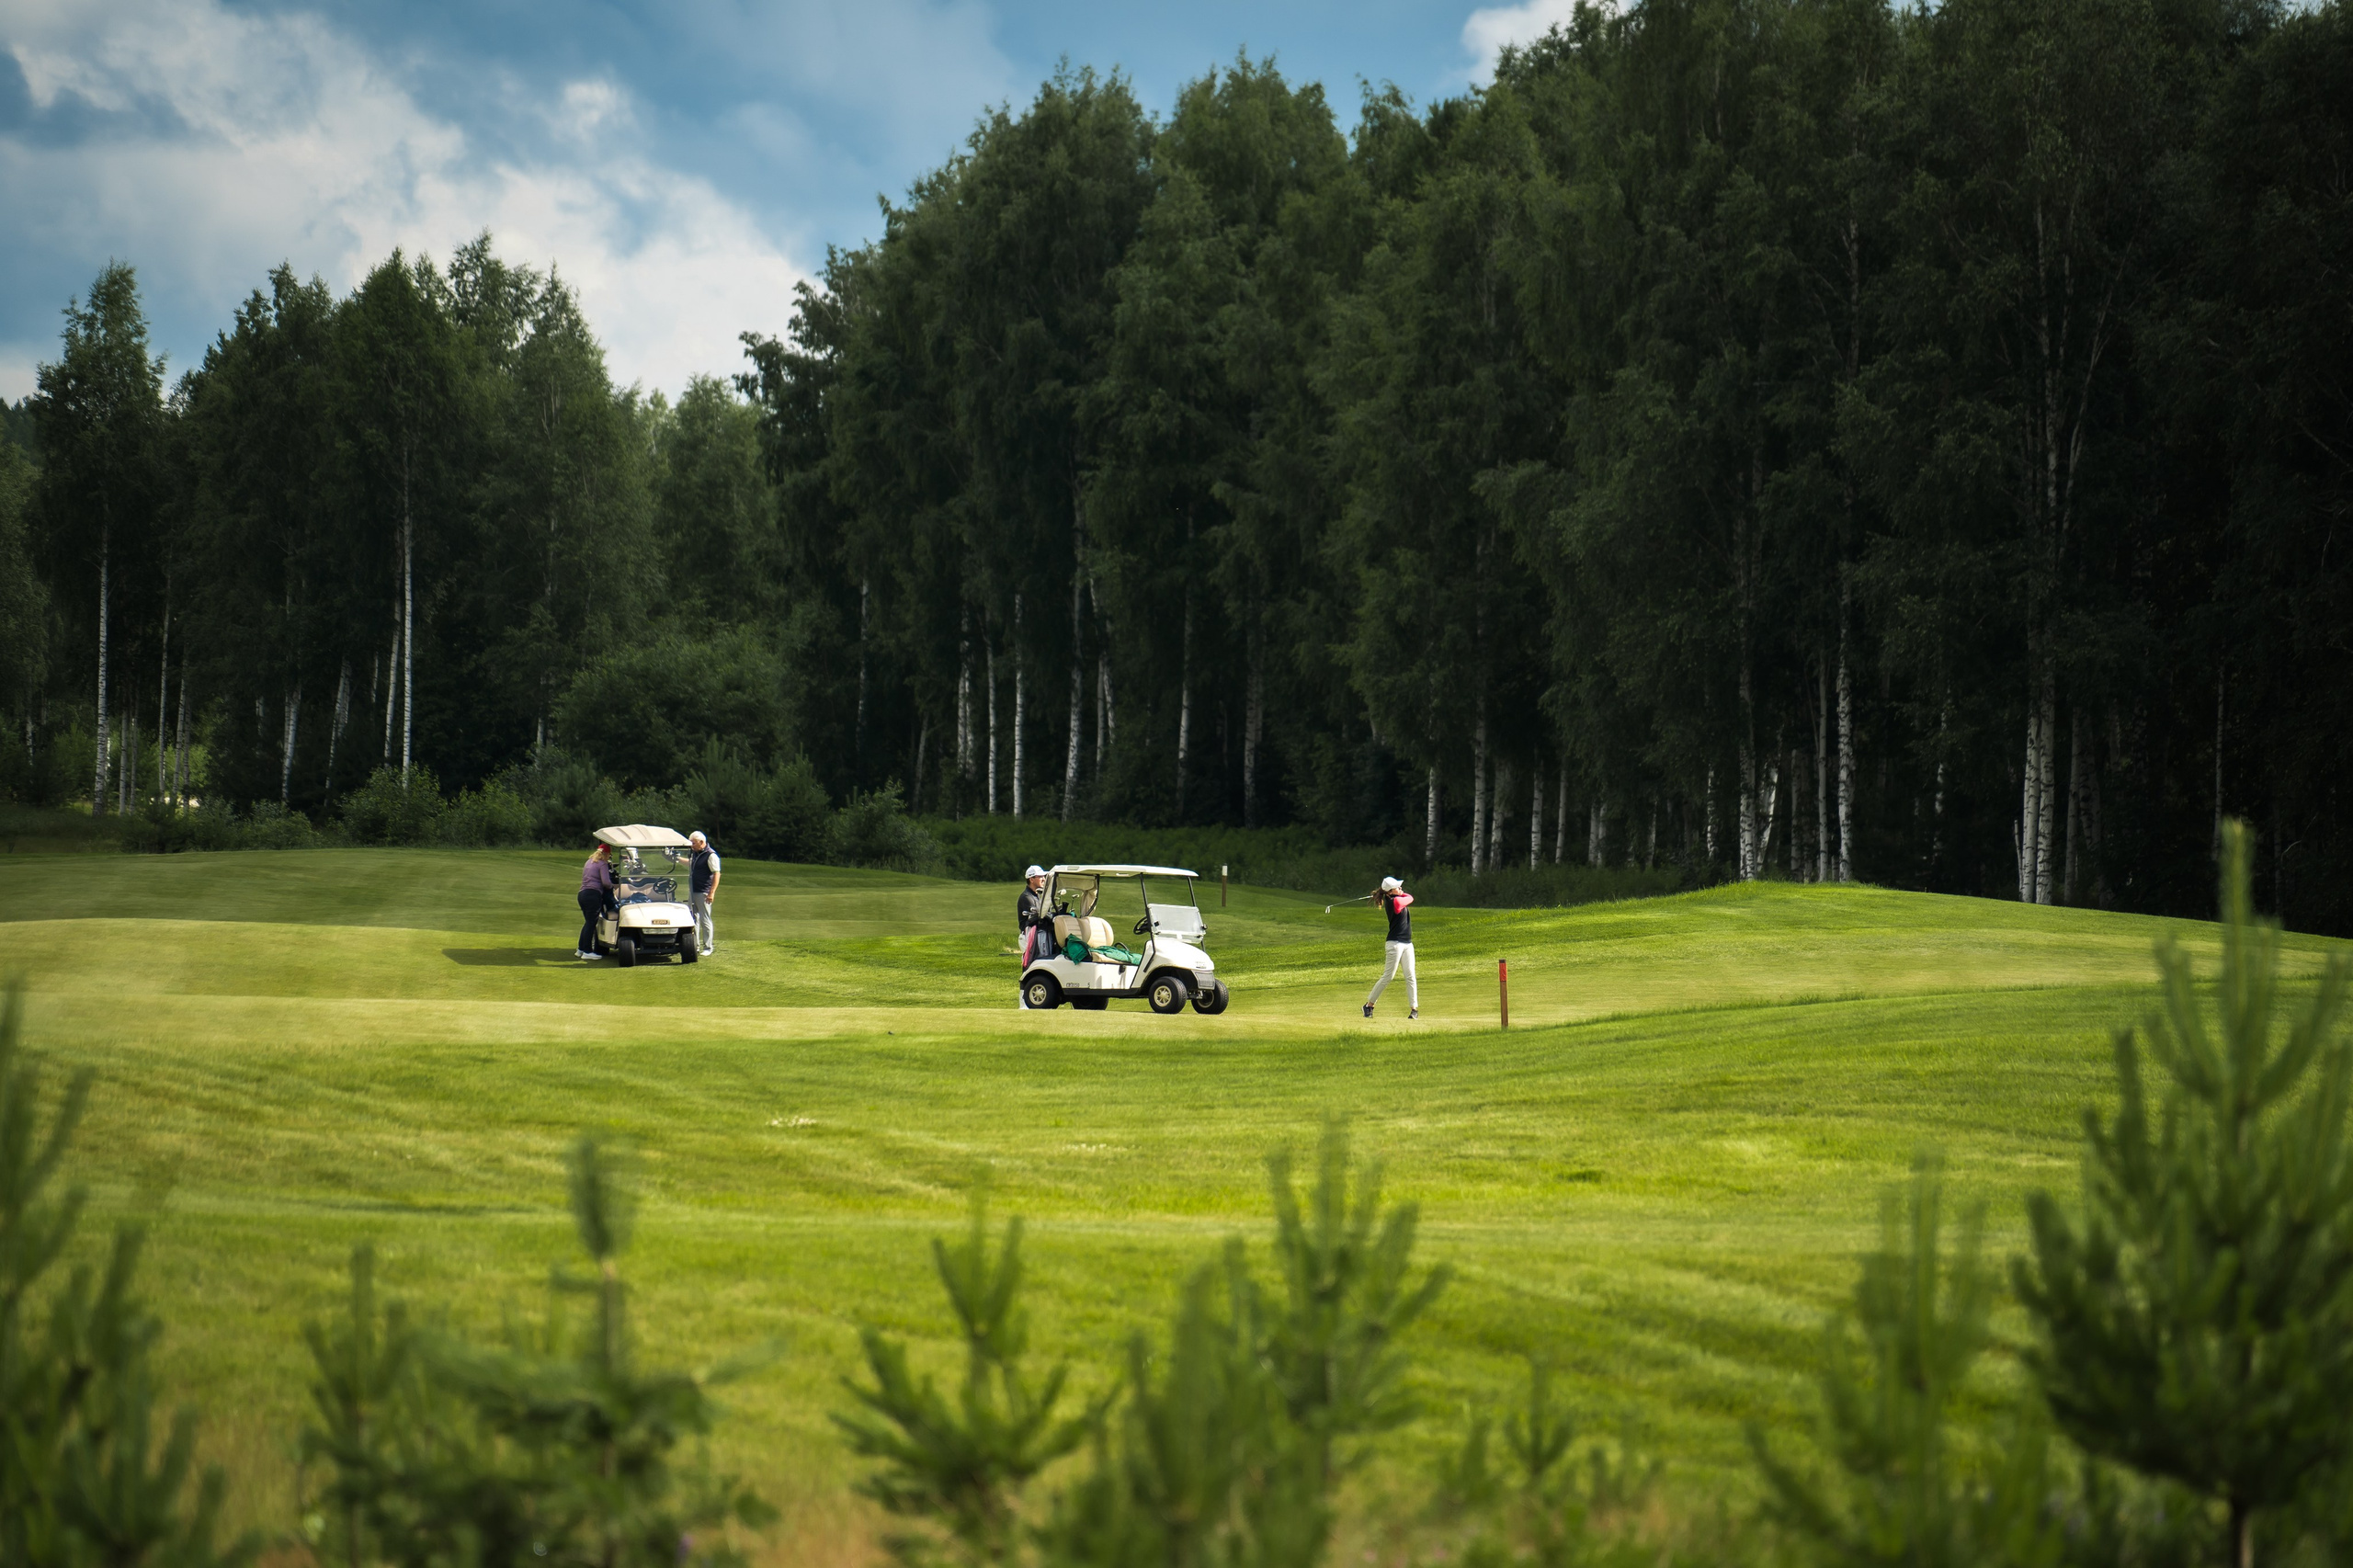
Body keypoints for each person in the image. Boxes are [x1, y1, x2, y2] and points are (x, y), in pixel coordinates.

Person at [1363, 875, 1417, 1019]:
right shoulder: (1396, 902)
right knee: (1388, 976)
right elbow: (1410, 897)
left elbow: (1405, 895)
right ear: (1390, 892)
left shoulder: (1393, 898)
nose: (1400, 888)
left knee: (1410, 975)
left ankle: (1414, 1009)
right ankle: (1369, 1005)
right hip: (1395, 944)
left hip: (1407, 943)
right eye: (1397, 887)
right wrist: (1389, 893)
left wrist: (1386, 892)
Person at [577, 843, 616, 960]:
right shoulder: (602, 864)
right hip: (593, 895)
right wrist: (613, 886)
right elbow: (605, 882)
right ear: (606, 854)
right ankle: (587, 951)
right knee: (591, 923)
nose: (609, 857)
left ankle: (581, 949)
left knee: (588, 922)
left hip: (582, 894)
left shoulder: (589, 861)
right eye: (609, 855)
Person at [688, 831, 722, 957]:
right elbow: (689, 863)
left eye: (693, 843)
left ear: (702, 842)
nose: (691, 845)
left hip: (704, 892)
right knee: (693, 919)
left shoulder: (711, 855)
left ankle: (708, 947)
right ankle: (694, 946)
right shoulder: (696, 853)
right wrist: (673, 858)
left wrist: (711, 893)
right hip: (693, 890)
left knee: (705, 919)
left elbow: (716, 874)